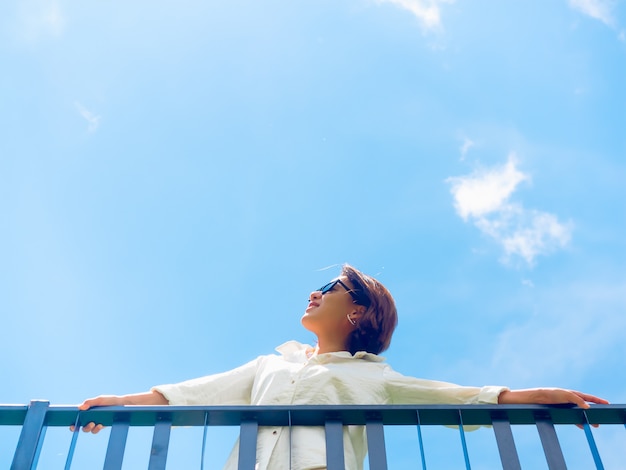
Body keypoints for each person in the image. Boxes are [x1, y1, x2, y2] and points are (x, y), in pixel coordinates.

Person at [74, 264, 608, 469]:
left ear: (357, 311)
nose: (314, 291)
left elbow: (450, 397)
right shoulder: (271, 362)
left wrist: (526, 396)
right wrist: (121, 402)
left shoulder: (374, 375)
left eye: (329, 288)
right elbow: (189, 394)